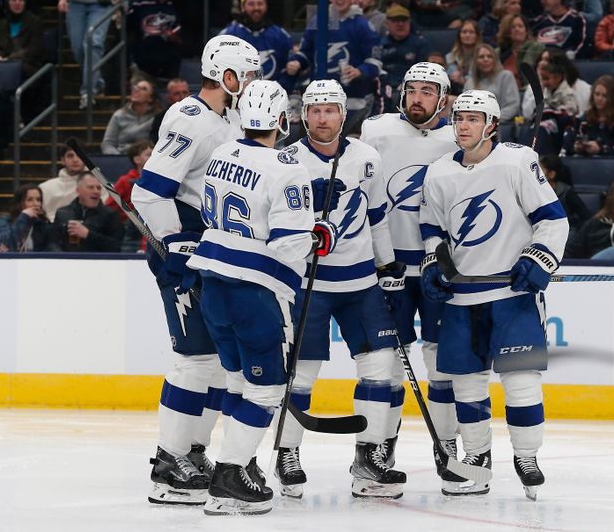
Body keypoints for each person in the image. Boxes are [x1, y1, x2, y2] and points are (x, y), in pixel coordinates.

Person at [184, 80, 339, 516]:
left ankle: (241, 461)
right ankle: (228, 477)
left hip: (212, 284)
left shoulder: (221, 154)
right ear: (281, 120)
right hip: (255, 292)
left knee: (238, 382)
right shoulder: (287, 170)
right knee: (268, 390)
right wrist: (319, 233)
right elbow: (291, 245)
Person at [130, 35, 262, 506]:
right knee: (193, 359)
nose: (252, 84)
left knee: (215, 365)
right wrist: (177, 249)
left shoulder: (225, 118)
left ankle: (193, 451)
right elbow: (147, 194)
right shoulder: (193, 120)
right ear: (226, 75)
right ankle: (169, 463)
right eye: (246, 75)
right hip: (185, 249)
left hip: (211, 249)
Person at [419, 89, 569, 497]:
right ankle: (476, 458)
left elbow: (553, 220)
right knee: (467, 383)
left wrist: (538, 260)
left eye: (471, 118)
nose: (462, 125)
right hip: (461, 296)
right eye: (458, 118)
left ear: (491, 125)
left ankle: (526, 455)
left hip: (510, 294)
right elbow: (431, 228)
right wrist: (434, 263)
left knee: (521, 380)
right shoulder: (439, 172)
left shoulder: (518, 161)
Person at [276, 80, 407, 500]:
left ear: (342, 114)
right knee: (302, 373)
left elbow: (377, 217)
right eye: (314, 111)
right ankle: (287, 452)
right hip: (308, 284)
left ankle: (368, 458)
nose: (322, 117)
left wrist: (387, 263)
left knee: (380, 366)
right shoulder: (288, 160)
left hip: (361, 281)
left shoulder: (367, 157)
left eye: (330, 110)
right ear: (303, 116)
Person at [360, 62, 459, 485]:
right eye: (412, 89)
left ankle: (448, 446)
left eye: (427, 91)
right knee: (387, 366)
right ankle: (379, 449)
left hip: (440, 266)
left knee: (442, 365)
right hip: (391, 267)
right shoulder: (376, 131)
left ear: (443, 98)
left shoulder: (459, 135)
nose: (418, 97)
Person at [286, 0, 382, 133]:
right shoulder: (318, 20)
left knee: (350, 148)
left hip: (352, 101)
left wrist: (359, 71)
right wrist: (296, 62)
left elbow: (375, 62)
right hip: (317, 99)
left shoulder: (362, 25)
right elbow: (306, 52)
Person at [218, 0, 294, 90]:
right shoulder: (228, 35)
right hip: (237, 97)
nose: (256, 8)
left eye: (260, 3)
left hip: (274, 96)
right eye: (251, 4)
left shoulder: (281, 35)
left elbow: (292, 66)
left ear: (266, 6)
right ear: (243, 7)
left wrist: (281, 89)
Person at [57, 0, 114, 110]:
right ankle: (97, 83)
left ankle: (88, 92)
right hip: (75, 4)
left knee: (93, 43)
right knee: (77, 48)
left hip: (101, 4)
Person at [49, 172, 123, 252]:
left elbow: (117, 247)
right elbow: (53, 242)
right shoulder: (62, 212)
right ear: (78, 190)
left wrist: (88, 235)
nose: (96, 191)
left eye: (98, 188)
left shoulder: (111, 215)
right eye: (91, 187)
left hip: (98, 262)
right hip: (68, 262)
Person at [564, 75, 614, 157]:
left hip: (611, 162)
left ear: (612, 98)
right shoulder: (583, 118)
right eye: (597, 94)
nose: (599, 98)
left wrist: (601, 149)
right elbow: (571, 144)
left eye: (604, 96)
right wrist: (577, 147)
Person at [39, 141, 110, 222]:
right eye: (70, 156)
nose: (75, 160)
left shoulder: (101, 185)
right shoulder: (45, 187)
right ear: (62, 160)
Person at [521, 48, 591, 121]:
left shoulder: (583, 88)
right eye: (541, 60)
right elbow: (527, 115)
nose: (541, 63)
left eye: (547, 60)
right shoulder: (533, 87)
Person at [380, 3, 431, 105]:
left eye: (404, 21)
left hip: (411, 88)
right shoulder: (380, 44)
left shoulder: (420, 44)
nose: (400, 24)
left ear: (409, 22)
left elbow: (422, 72)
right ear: (387, 24)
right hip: (384, 87)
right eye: (396, 21)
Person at [0, 0, 45, 77]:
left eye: (21, 0)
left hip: (28, 68)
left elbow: (34, 50)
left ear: (25, 3)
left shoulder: (35, 22)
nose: (17, 3)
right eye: (14, 0)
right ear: (8, 3)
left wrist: (10, 59)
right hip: (1, 66)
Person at [127, 0, 182, 80]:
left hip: (168, 60)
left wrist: (174, 36)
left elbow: (181, 32)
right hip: (142, 60)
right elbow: (128, 28)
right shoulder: (138, 5)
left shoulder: (177, 5)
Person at [101, 79, 160, 155]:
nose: (136, 90)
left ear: (150, 98)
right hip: (121, 156)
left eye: (143, 89)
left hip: (148, 159)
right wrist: (118, 158)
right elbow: (107, 144)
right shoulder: (119, 115)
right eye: (135, 88)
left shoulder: (158, 117)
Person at [539, 155, 592, 237]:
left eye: (539, 170)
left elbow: (585, 217)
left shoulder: (567, 192)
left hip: (565, 235)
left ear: (551, 174)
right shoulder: (533, 191)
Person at [464, 44, 520, 122]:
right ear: (475, 61)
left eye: (489, 56)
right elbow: (464, 107)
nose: (486, 59)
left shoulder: (506, 76)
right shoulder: (470, 83)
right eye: (481, 57)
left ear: (495, 60)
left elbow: (512, 105)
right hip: (473, 125)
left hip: (499, 124)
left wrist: (490, 120)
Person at [105, 140, 153, 222]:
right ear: (137, 160)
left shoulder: (160, 179)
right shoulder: (125, 181)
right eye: (149, 155)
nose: (154, 157)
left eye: (155, 154)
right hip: (131, 225)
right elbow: (110, 206)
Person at [0, 184, 51, 252]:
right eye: (30, 200)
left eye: (38, 200)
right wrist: (24, 217)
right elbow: (5, 245)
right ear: (19, 203)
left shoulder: (42, 223)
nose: (36, 203)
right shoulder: (4, 220)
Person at [497, 13, 545, 89]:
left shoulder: (536, 47)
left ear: (526, 30)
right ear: (506, 31)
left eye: (520, 26)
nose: (517, 29)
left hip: (529, 92)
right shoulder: (498, 52)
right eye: (513, 27)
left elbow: (527, 68)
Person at [150, 78, 190, 143]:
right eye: (176, 94)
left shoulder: (201, 115)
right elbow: (155, 142)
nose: (182, 97)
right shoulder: (161, 118)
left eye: (185, 93)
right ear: (169, 97)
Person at [445, 20, 482, 90]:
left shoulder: (483, 56)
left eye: (471, 32)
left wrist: (464, 81)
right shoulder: (449, 57)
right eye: (464, 32)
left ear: (477, 36)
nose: (467, 35)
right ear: (459, 35)